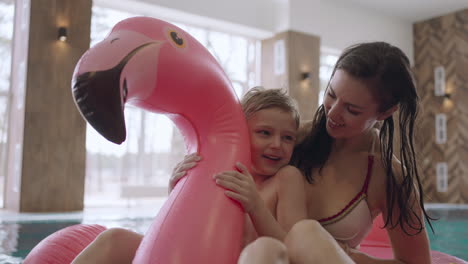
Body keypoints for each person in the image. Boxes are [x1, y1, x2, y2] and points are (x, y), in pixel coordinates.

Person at [174, 42, 434, 264]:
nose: (332, 114)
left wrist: (343, 254)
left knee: (306, 234)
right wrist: (184, 178)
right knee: (266, 249)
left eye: (352, 110)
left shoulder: (389, 175)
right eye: (331, 94)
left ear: (385, 113)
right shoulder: (289, 142)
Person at [72, 87, 353, 264]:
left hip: (256, 257)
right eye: (264, 133)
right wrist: (177, 191)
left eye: (288, 137)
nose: (277, 144)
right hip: (200, 256)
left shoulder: (286, 179)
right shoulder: (219, 170)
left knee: (265, 248)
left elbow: (292, 244)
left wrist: (255, 206)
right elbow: (187, 229)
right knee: (116, 238)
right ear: (241, 134)